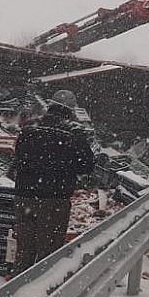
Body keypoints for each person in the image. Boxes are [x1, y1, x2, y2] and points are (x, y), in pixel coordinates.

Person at [11, 89, 95, 275]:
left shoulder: (29, 127)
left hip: (24, 197)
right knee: (48, 252)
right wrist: (65, 166)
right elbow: (87, 166)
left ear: (50, 105)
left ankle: (16, 291)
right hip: (54, 200)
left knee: (24, 249)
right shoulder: (74, 133)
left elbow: (18, 158)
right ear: (71, 111)